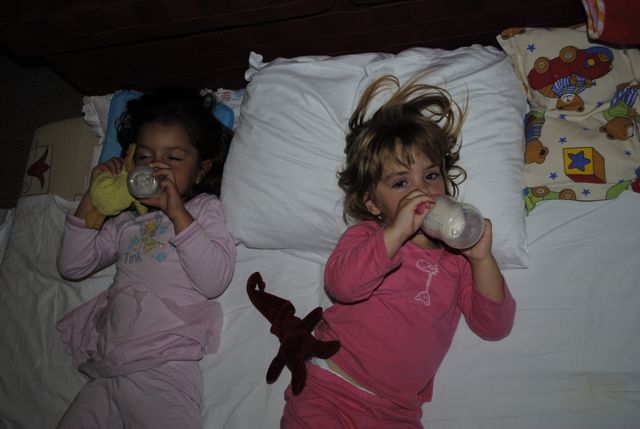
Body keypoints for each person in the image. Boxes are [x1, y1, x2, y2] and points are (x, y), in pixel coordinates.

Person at [281, 75, 516, 428]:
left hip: (395, 412)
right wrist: (396, 232)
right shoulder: (367, 236)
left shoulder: (457, 261)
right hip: (329, 388)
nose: (422, 192)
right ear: (372, 203)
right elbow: (342, 285)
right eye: (401, 183)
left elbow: (494, 327)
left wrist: (482, 259)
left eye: (431, 176)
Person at [56, 87, 236, 429]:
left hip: (163, 364)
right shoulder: (127, 222)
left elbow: (214, 281)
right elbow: (73, 265)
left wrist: (178, 214)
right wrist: (92, 198)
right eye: (144, 156)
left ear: (200, 170)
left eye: (173, 158)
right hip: (107, 368)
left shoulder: (203, 211)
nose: (156, 167)